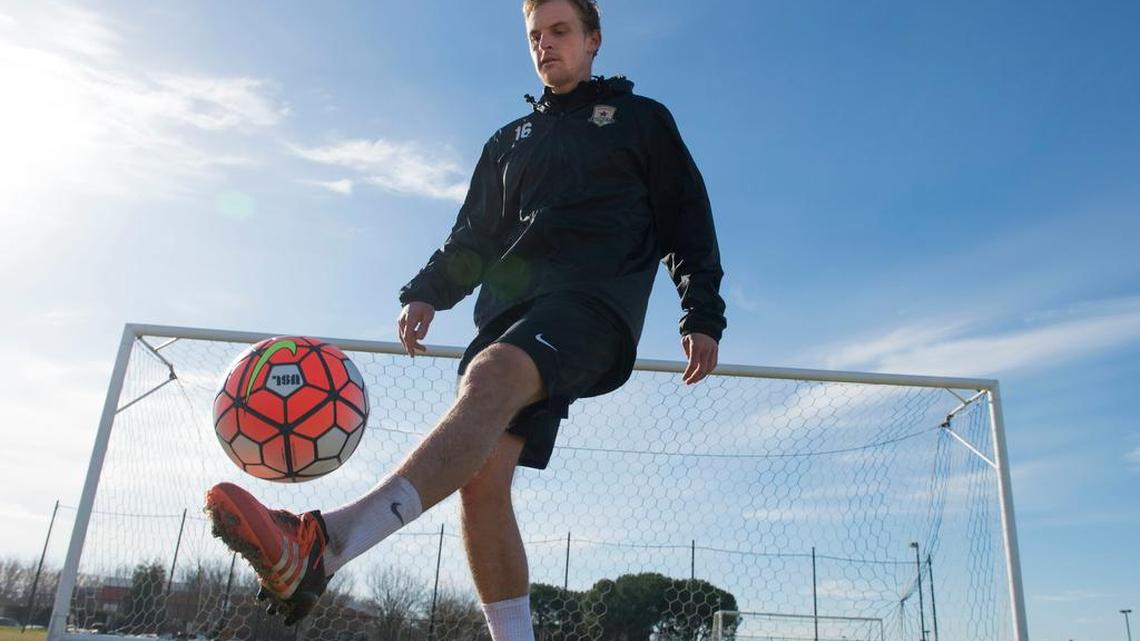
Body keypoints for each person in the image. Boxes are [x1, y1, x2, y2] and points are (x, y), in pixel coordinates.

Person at [203, 1, 726, 639]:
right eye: (535, 35)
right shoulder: (508, 141)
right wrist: (427, 291)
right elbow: (474, 237)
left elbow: (687, 218)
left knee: (492, 375)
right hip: (509, 313)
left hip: (593, 303)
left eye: (560, 31)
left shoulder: (641, 121)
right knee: (480, 483)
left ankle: (328, 543)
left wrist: (702, 311)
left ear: (593, 39)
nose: (545, 45)